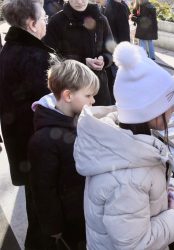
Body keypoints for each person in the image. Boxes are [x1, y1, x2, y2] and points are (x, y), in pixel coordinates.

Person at [74, 42, 174, 249]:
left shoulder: (126, 141)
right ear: (148, 112)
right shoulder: (126, 180)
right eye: (167, 103)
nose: (173, 109)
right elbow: (134, 244)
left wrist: (160, 193)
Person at [28, 59, 99, 250]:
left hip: (79, 210)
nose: (93, 101)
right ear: (68, 95)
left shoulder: (76, 120)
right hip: (66, 221)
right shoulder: (43, 141)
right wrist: (53, 227)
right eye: (89, 96)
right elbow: (43, 190)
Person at [0, 0, 54, 248]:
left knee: (35, 201)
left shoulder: (10, 48)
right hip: (38, 146)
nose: (46, 21)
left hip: (21, 143)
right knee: (43, 212)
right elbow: (47, 108)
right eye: (43, 17)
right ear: (32, 24)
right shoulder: (36, 57)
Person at [44, 0, 115, 106]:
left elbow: (111, 50)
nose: (79, 1)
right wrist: (82, 61)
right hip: (71, 89)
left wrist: (104, 60)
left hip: (99, 88)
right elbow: (49, 56)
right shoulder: (56, 22)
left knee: (100, 120)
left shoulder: (101, 19)